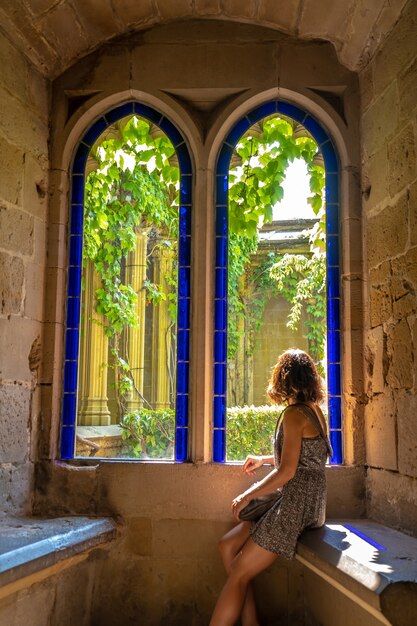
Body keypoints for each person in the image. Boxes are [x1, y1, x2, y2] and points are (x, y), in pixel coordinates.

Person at [209, 349, 332, 626]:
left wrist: (245, 495)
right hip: (311, 502)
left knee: (240, 571)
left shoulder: (293, 414)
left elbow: (287, 471)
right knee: (227, 546)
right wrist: (264, 458)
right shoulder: (314, 411)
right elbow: (305, 458)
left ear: (282, 379)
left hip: (295, 506)